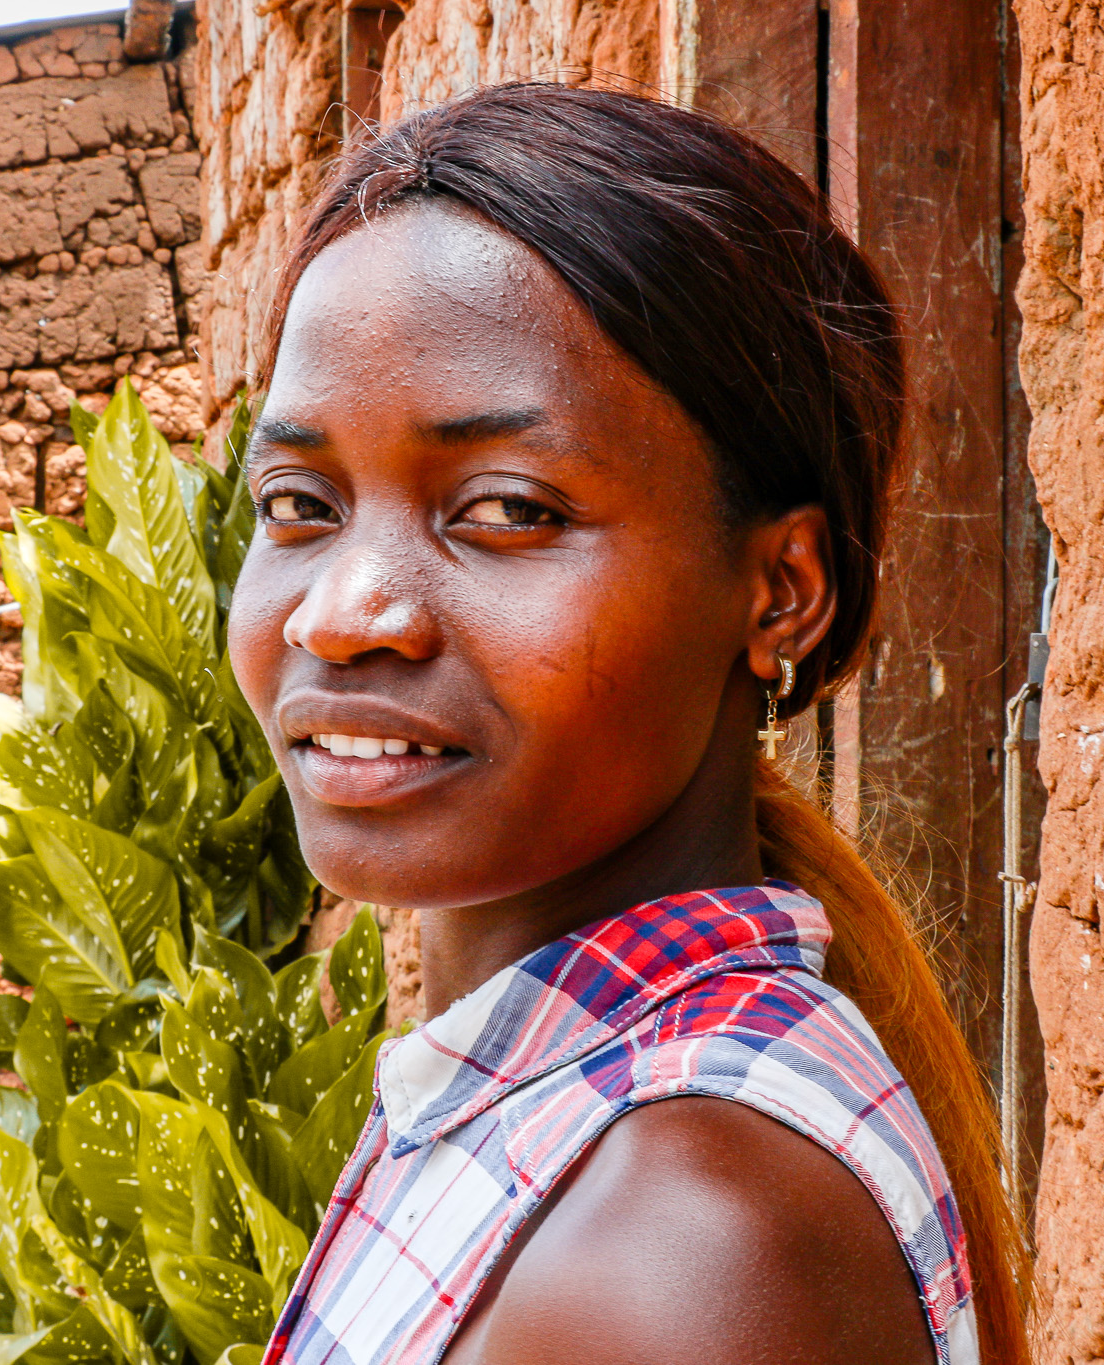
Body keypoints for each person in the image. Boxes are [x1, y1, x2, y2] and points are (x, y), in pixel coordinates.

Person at [227, 81, 1028, 1365]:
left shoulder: (685, 1244)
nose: (340, 613)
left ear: (778, 593)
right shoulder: (539, 1112)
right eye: (297, 504)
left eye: (507, 509)